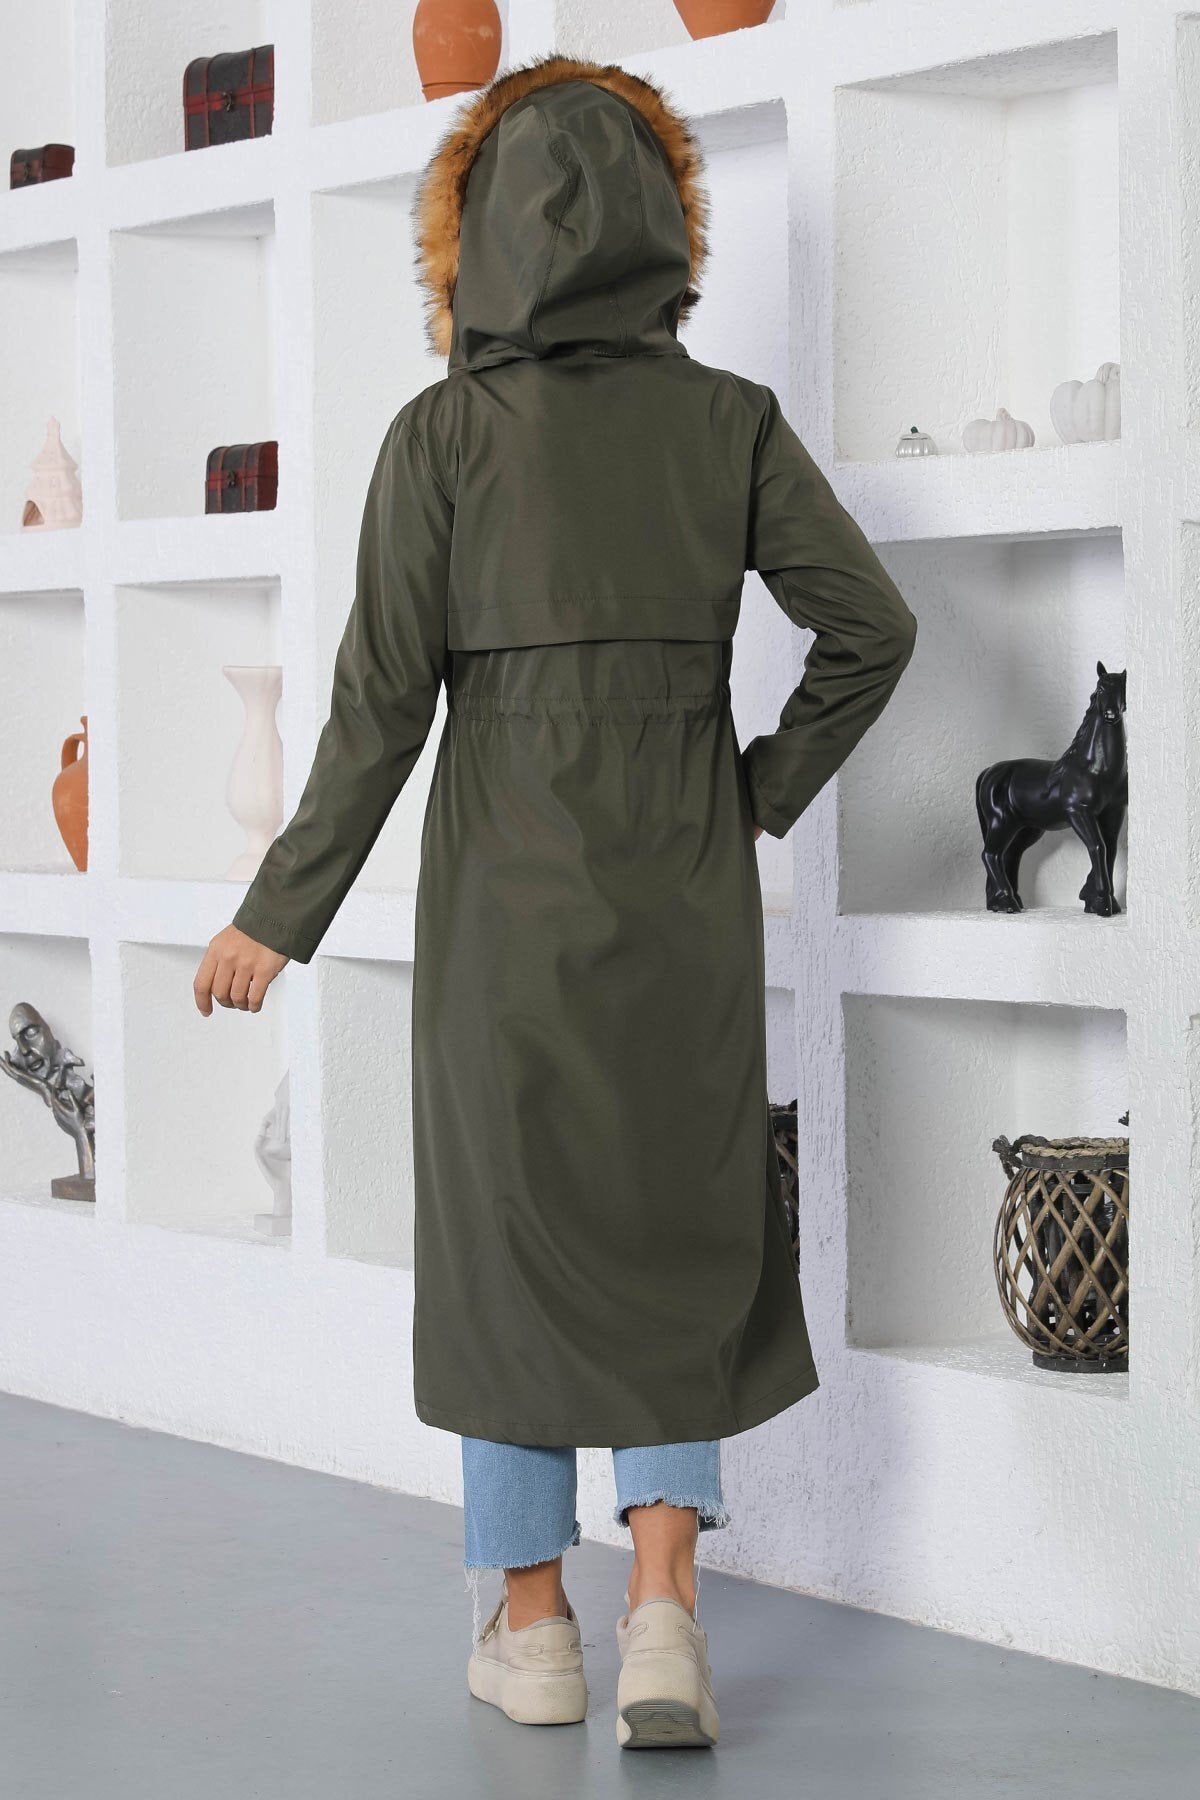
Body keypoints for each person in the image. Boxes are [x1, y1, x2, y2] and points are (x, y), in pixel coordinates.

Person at [192, 53, 917, 1750]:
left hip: (502, 913)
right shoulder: (729, 423)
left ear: (472, 237)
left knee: (504, 1247)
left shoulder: (441, 439)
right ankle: (666, 1612)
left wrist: (275, 916)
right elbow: (872, 629)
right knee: (675, 1233)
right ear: (669, 225)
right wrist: (753, 790)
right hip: (685, 896)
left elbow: (379, 712)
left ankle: (534, 1631)